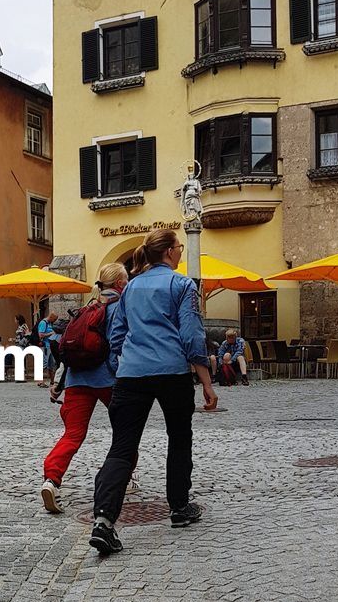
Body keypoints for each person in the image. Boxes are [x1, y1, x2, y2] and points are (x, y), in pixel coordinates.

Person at [91, 228, 218, 555]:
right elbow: (192, 335)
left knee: (122, 446)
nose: (180, 251)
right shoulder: (182, 284)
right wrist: (205, 380)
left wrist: (122, 365)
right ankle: (179, 506)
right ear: (169, 252)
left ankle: (104, 519)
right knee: (178, 437)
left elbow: (116, 333)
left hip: (132, 373)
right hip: (172, 371)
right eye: (178, 246)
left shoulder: (130, 288)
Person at [41, 265, 128, 513]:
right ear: (121, 283)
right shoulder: (119, 308)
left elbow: (67, 352)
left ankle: (51, 480)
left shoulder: (85, 309)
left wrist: (59, 383)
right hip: (108, 382)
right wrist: (119, 375)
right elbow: (117, 345)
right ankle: (126, 475)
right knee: (125, 431)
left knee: (73, 434)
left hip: (77, 380)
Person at [36, 311, 58, 387]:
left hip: (50, 346)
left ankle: (52, 381)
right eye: (54, 319)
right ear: (51, 317)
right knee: (43, 363)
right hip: (45, 346)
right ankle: (40, 381)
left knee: (51, 364)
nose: (55, 321)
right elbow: (41, 335)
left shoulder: (50, 323)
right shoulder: (43, 323)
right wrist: (51, 333)